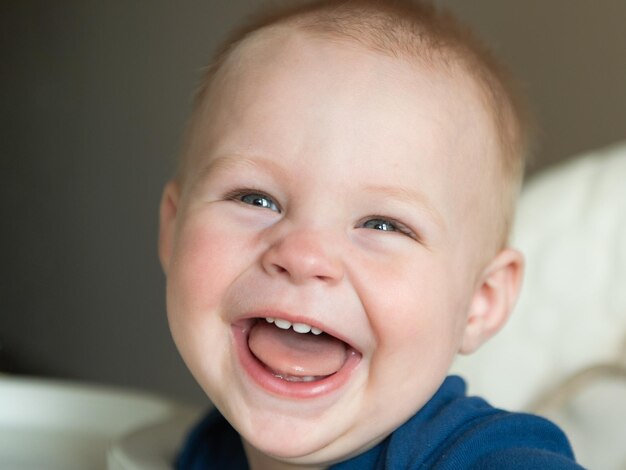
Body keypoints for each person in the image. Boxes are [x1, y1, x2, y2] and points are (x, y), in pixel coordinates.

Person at [158, 0, 583, 468]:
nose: (303, 255)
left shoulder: (481, 456)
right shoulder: (204, 449)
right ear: (173, 231)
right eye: (255, 199)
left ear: (480, 300)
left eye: (382, 224)